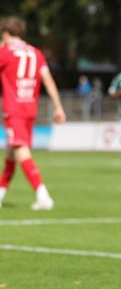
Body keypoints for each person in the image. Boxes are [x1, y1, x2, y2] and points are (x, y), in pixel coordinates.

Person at [0, 17, 66, 210]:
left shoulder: (6, 52)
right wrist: (58, 107)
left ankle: (42, 195)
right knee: (11, 153)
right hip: (30, 108)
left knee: (20, 149)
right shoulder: (36, 53)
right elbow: (48, 80)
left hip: (14, 108)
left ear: (6, 33)